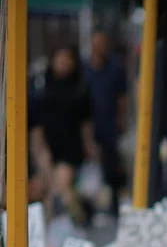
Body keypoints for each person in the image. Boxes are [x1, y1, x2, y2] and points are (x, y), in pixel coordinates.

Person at [34, 45, 99, 217]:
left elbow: (86, 123)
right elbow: (37, 122)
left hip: (70, 147)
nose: (62, 64)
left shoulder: (79, 89)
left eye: (66, 60)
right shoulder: (43, 86)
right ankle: (53, 230)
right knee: (48, 190)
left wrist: (89, 146)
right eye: (59, 59)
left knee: (63, 186)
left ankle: (75, 222)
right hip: (48, 146)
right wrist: (39, 147)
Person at [85, 29, 128, 215]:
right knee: (89, 168)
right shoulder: (84, 68)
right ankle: (88, 209)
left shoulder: (115, 68)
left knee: (112, 167)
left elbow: (122, 99)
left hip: (109, 124)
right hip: (88, 124)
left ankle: (113, 205)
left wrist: (122, 120)